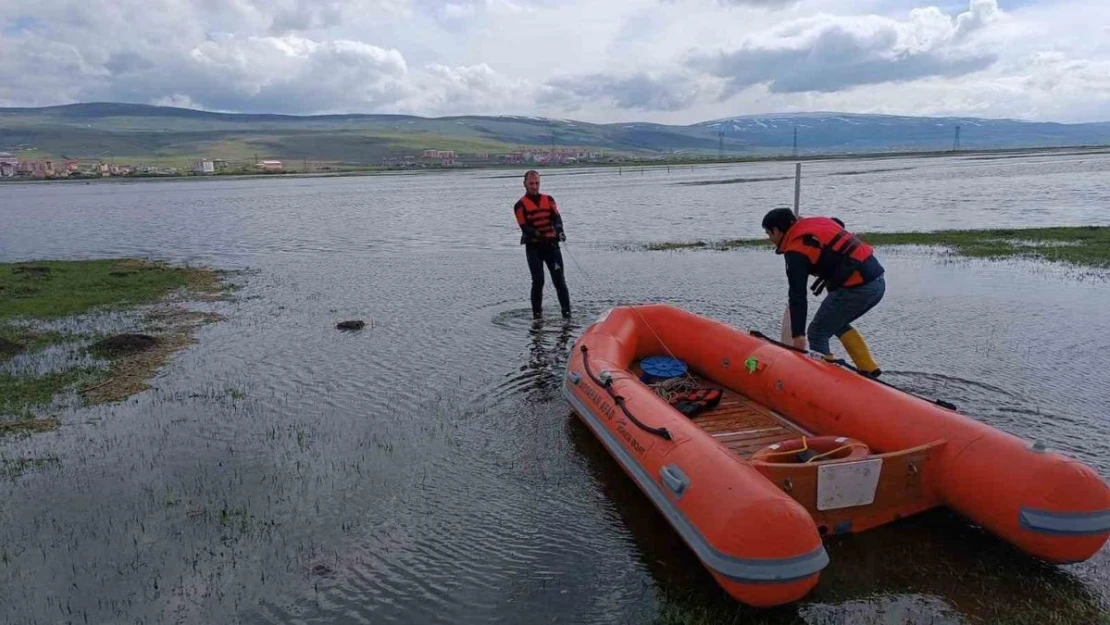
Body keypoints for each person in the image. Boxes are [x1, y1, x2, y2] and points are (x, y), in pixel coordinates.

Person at [761, 207, 885, 377]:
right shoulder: (814, 223)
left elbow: (797, 295)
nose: (769, 239)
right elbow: (837, 224)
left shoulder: (796, 251)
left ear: (777, 230)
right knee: (835, 322)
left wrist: (798, 335)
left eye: (769, 233)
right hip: (877, 281)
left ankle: (825, 381)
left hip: (858, 288)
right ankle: (869, 369)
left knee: (817, 332)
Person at [514, 170, 571, 320]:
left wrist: (559, 231)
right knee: (538, 281)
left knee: (560, 281)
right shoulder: (519, 205)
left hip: (552, 247)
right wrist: (542, 236)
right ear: (524, 184)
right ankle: (537, 317)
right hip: (534, 248)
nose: (534, 186)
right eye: (531, 183)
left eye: (537, 183)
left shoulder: (549, 199)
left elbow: (557, 218)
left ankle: (567, 315)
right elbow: (525, 227)